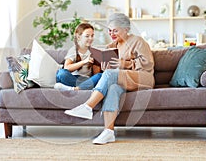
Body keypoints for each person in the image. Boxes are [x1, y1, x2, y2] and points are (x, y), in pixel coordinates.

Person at [64, 13, 155, 144]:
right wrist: (105, 67)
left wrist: (125, 63)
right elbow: (109, 73)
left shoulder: (138, 41)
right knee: (112, 88)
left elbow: (148, 63)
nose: (112, 33)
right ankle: (109, 131)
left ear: (126, 29)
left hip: (143, 77)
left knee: (110, 75)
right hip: (123, 79)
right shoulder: (111, 46)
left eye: (115, 30)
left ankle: (88, 106)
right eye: (110, 30)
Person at [54, 22, 102, 91]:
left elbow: (96, 75)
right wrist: (84, 62)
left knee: (100, 76)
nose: (91, 38)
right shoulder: (73, 50)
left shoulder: (94, 51)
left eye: (92, 35)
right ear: (79, 37)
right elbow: (66, 67)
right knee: (61, 73)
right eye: (87, 36)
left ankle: (75, 89)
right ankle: (83, 87)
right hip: (73, 79)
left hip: (86, 80)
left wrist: (100, 64)